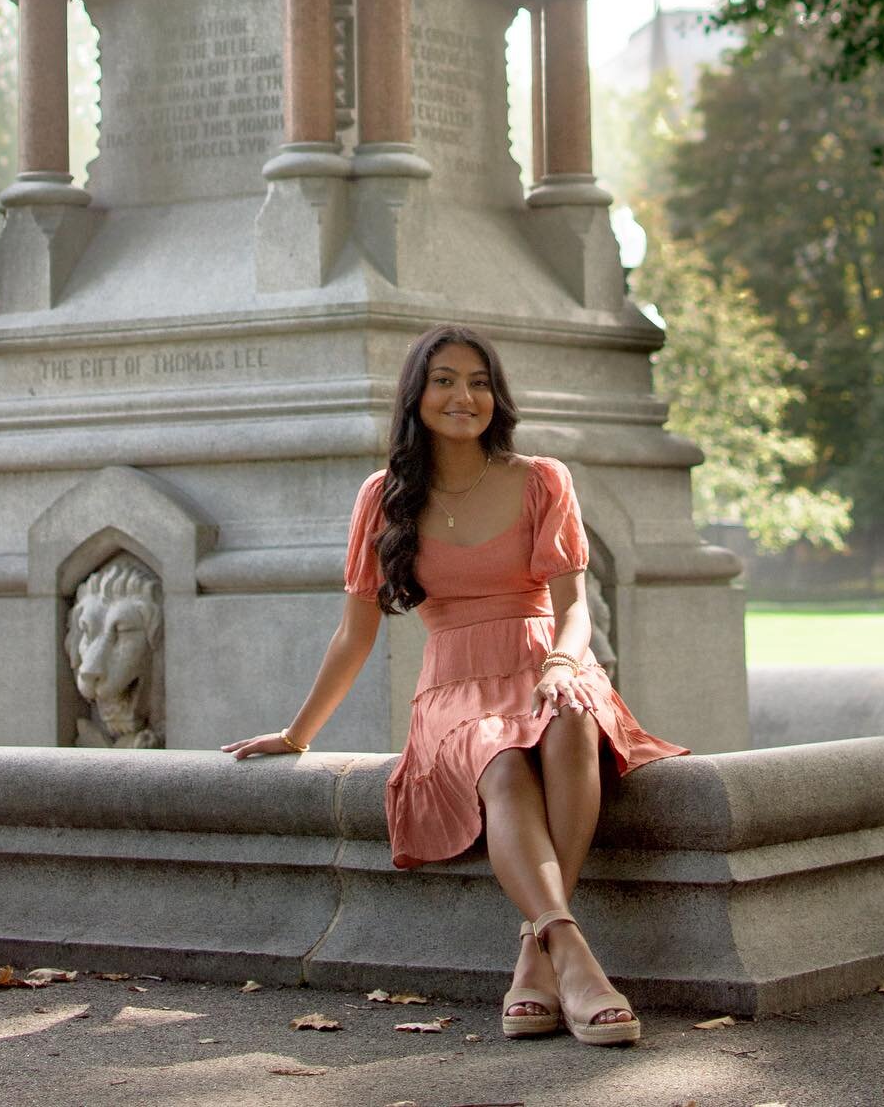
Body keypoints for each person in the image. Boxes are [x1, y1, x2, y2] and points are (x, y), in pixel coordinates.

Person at [223, 324, 687, 1046]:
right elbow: (356, 632)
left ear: (495, 395)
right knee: (499, 763)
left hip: (547, 664)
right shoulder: (383, 498)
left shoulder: (542, 478)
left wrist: (563, 664)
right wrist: (297, 732)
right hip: (455, 687)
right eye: (443, 379)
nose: (461, 395)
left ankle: (537, 956)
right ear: (417, 395)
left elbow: (574, 610)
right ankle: (572, 954)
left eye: (476, 380)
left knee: (569, 723)